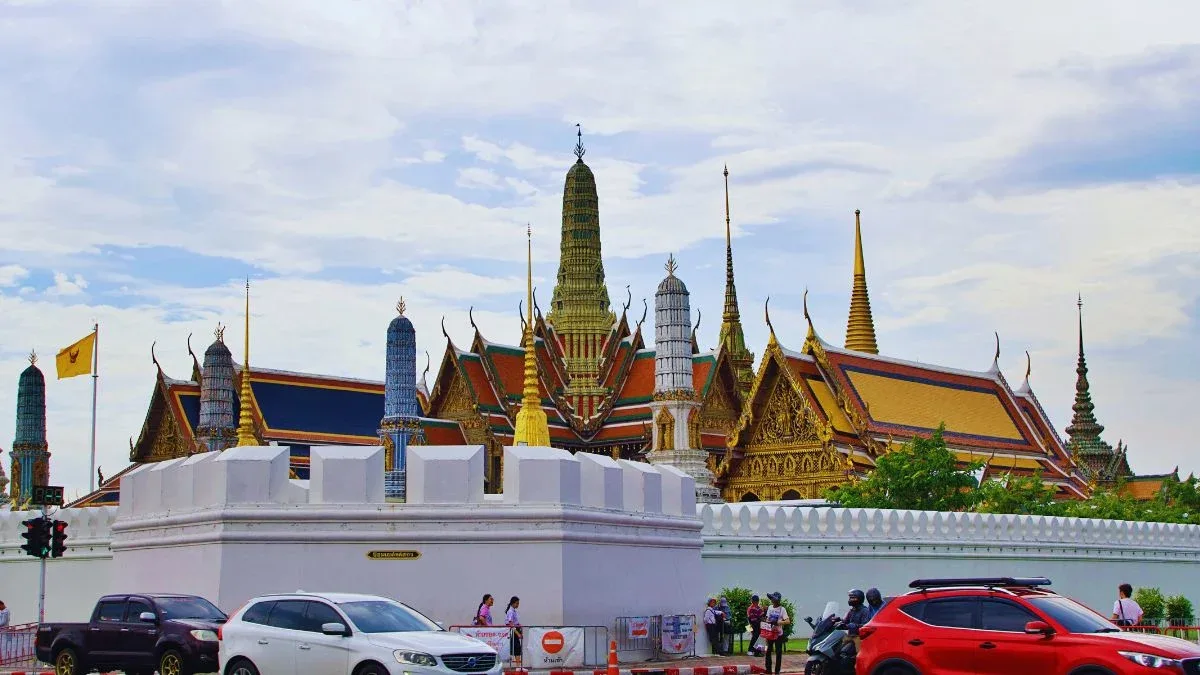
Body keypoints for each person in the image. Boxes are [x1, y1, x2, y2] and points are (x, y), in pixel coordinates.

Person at [762, 592, 789, 675]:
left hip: (778, 634)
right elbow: (767, 618)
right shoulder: (770, 608)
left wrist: (778, 622)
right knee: (768, 651)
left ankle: (777, 671)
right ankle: (768, 670)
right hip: (770, 633)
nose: (772, 600)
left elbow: (787, 621)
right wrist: (768, 621)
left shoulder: (782, 609)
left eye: (774, 599)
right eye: (772, 598)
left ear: (777, 600)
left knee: (778, 653)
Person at [505, 597, 522, 669]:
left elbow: (515, 622)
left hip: (516, 629)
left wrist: (519, 627)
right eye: (517, 603)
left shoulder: (514, 611)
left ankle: (518, 666)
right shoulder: (511, 611)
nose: (518, 605)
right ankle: (518, 666)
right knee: (516, 647)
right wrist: (517, 633)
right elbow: (511, 623)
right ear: (513, 603)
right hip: (513, 631)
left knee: (517, 648)